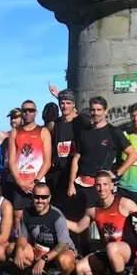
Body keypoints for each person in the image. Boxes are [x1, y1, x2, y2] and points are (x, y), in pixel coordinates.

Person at [68, 96, 137, 249]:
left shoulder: (113, 132)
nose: (96, 113)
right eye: (93, 110)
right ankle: (81, 255)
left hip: (100, 187)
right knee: (80, 225)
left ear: (105, 111)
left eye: (99, 110)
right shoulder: (84, 132)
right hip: (81, 184)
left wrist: (117, 173)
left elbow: (133, 154)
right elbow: (77, 159)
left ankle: (107, 255)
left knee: (103, 223)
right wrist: (71, 184)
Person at [69, 171, 137, 275]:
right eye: (98, 185)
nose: (102, 188)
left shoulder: (124, 203)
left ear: (111, 186)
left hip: (128, 252)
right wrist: (59, 218)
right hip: (108, 252)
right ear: (94, 186)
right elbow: (78, 227)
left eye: (105, 184)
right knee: (80, 269)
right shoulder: (92, 210)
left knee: (112, 248)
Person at [8, 182, 77, 275]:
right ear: (32, 197)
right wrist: (19, 250)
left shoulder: (57, 216)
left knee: (64, 261)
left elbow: (63, 244)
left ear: (49, 198)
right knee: (12, 249)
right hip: (39, 250)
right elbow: (22, 236)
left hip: (59, 252)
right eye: (37, 197)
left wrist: (44, 258)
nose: (40, 200)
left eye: (44, 197)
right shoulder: (26, 213)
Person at [8, 100, 53, 232]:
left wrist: (36, 181)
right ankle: (19, 244)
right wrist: (20, 182)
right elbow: (11, 160)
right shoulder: (15, 132)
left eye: (31, 110)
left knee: (39, 214)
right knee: (18, 217)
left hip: (37, 182)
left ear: (36, 113)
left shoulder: (43, 131)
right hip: (20, 182)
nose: (28, 113)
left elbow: (47, 161)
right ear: (21, 113)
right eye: (25, 110)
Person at [46, 88, 80, 217]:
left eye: (68, 103)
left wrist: (58, 95)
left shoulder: (79, 122)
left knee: (76, 213)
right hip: (58, 174)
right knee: (59, 211)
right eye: (62, 103)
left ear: (74, 104)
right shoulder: (56, 124)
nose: (64, 106)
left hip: (75, 174)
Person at [0, 108, 22, 203]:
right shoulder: (6, 137)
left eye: (16, 117)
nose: (13, 120)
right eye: (11, 118)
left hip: (22, 177)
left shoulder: (28, 134)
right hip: (7, 178)